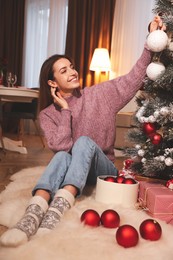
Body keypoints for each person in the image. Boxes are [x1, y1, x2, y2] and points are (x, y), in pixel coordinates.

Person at [0, 16, 165, 247]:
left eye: (72, 67)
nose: (72, 72)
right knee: (60, 155)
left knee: (84, 142)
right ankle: (32, 215)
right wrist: (66, 112)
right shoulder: (48, 114)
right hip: (75, 171)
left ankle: (57, 210)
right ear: (52, 83)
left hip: (101, 169)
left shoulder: (100, 95)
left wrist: (150, 41)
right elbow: (62, 148)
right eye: (64, 70)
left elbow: (134, 77)